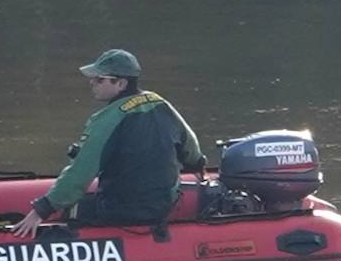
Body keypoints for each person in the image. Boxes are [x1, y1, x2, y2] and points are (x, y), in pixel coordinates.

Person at [12, 49, 204, 240]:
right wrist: (196, 166)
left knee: (74, 208)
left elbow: (80, 173)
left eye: (99, 79)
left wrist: (41, 210)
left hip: (123, 210)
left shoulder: (107, 119)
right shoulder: (161, 104)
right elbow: (191, 146)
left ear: (120, 83)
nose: (92, 83)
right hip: (164, 204)